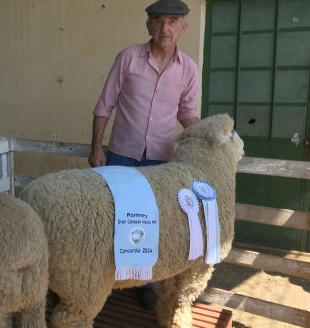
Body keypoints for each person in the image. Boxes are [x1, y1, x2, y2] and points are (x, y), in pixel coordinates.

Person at [88, 0, 200, 310]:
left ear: (183, 28)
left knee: (153, 223)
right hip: (122, 155)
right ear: (148, 25)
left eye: (172, 22)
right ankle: (107, 280)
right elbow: (104, 105)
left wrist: (208, 138)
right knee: (112, 216)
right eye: (159, 21)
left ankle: (146, 284)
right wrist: (97, 147)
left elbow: (188, 113)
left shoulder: (188, 68)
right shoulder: (128, 58)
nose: (165, 28)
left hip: (161, 159)